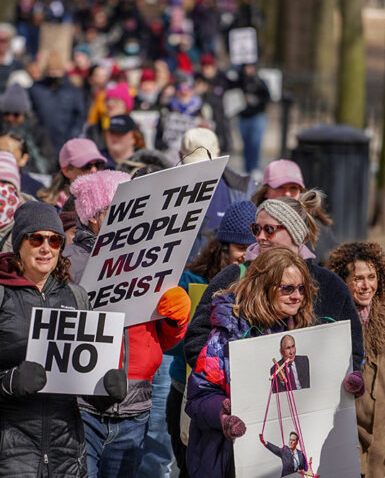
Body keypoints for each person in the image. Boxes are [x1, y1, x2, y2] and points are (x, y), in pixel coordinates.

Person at [63, 169, 192, 478]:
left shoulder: (153, 259)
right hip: (83, 407)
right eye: (117, 209)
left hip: (136, 407)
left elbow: (164, 341)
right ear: (94, 216)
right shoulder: (68, 262)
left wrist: (177, 319)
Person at [0, 200, 126, 476]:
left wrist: (106, 390)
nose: (46, 248)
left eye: (55, 240)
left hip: (66, 453)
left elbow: (83, 383)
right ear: (19, 244)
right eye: (36, 239)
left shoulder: (77, 296)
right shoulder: (2, 293)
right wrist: (10, 381)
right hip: (11, 451)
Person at [183, 190, 364, 379]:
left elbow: (353, 346)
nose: (260, 237)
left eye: (269, 229)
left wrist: (351, 378)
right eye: (256, 229)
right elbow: (196, 341)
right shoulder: (234, 276)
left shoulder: (330, 284)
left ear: (295, 233)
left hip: (313, 404)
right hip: (242, 402)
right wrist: (227, 384)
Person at [185, 247, 317, 478]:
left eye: (301, 288)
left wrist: (344, 383)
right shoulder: (227, 333)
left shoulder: (305, 331)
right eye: (287, 289)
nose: (297, 296)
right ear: (264, 287)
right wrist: (222, 414)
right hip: (229, 462)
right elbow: (199, 396)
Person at [166, 200, 257, 478]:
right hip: (187, 388)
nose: (246, 255)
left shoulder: (257, 286)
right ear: (223, 246)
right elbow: (175, 343)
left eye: (251, 247)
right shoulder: (191, 278)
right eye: (241, 248)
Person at [327, 242, 385, 478]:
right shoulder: (331, 318)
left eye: (372, 276)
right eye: (358, 278)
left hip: (384, 433)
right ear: (343, 281)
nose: (366, 285)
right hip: (347, 428)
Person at [179, 127, 256, 260]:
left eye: (207, 165)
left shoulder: (242, 189)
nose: (201, 171)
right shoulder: (169, 191)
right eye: (194, 165)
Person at [252, 159, 336, 264]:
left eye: (293, 188)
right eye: (280, 187)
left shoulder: (319, 229)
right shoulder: (251, 222)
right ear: (266, 191)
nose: (287, 193)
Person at [29, 51, 85, 154]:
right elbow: (30, 114)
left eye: (57, 70)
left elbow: (79, 116)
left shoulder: (72, 90)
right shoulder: (36, 89)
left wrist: (72, 138)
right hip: (42, 143)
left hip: (66, 143)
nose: (54, 74)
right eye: (51, 70)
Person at [37, 137, 106, 209]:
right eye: (86, 166)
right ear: (66, 171)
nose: (94, 170)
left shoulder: (108, 201)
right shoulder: (49, 209)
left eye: (98, 165)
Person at [237, 64, 271, 175]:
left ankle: (254, 168)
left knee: (255, 144)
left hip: (257, 117)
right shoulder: (240, 82)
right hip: (243, 118)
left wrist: (254, 100)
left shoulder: (259, 82)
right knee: (246, 145)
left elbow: (267, 98)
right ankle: (247, 169)